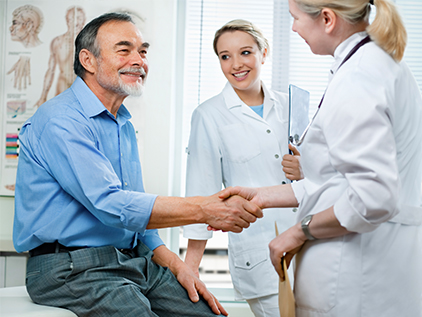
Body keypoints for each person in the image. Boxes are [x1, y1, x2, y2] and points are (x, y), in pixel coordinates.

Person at [13, 12, 263, 317]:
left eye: (142, 51)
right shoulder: (60, 120)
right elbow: (110, 204)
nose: (139, 60)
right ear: (88, 60)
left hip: (130, 259)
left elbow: (136, 216)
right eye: (124, 50)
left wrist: (177, 265)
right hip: (68, 267)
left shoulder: (122, 125)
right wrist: (204, 209)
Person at [220, 0, 422, 316]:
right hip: (373, 270)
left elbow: (372, 196)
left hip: (354, 278)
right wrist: (262, 196)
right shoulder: (379, 64)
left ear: (327, 19)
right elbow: (336, 183)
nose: (294, 28)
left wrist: (299, 231)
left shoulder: (359, 76)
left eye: (295, 18)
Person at [183, 19, 302, 317]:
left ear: (264, 53)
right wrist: (190, 267)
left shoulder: (293, 106)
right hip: (260, 258)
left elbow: (326, 176)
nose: (236, 64)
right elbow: (202, 193)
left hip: (310, 247)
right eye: (225, 56)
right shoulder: (208, 116)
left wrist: (304, 168)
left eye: (245, 52)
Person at [34, 6, 86, 107]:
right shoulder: (57, 42)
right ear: (67, 21)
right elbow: (51, 70)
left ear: (84, 20)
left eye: (79, 18)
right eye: (71, 19)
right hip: (62, 84)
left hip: (83, 85)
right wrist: (43, 97)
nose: (76, 23)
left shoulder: (90, 44)